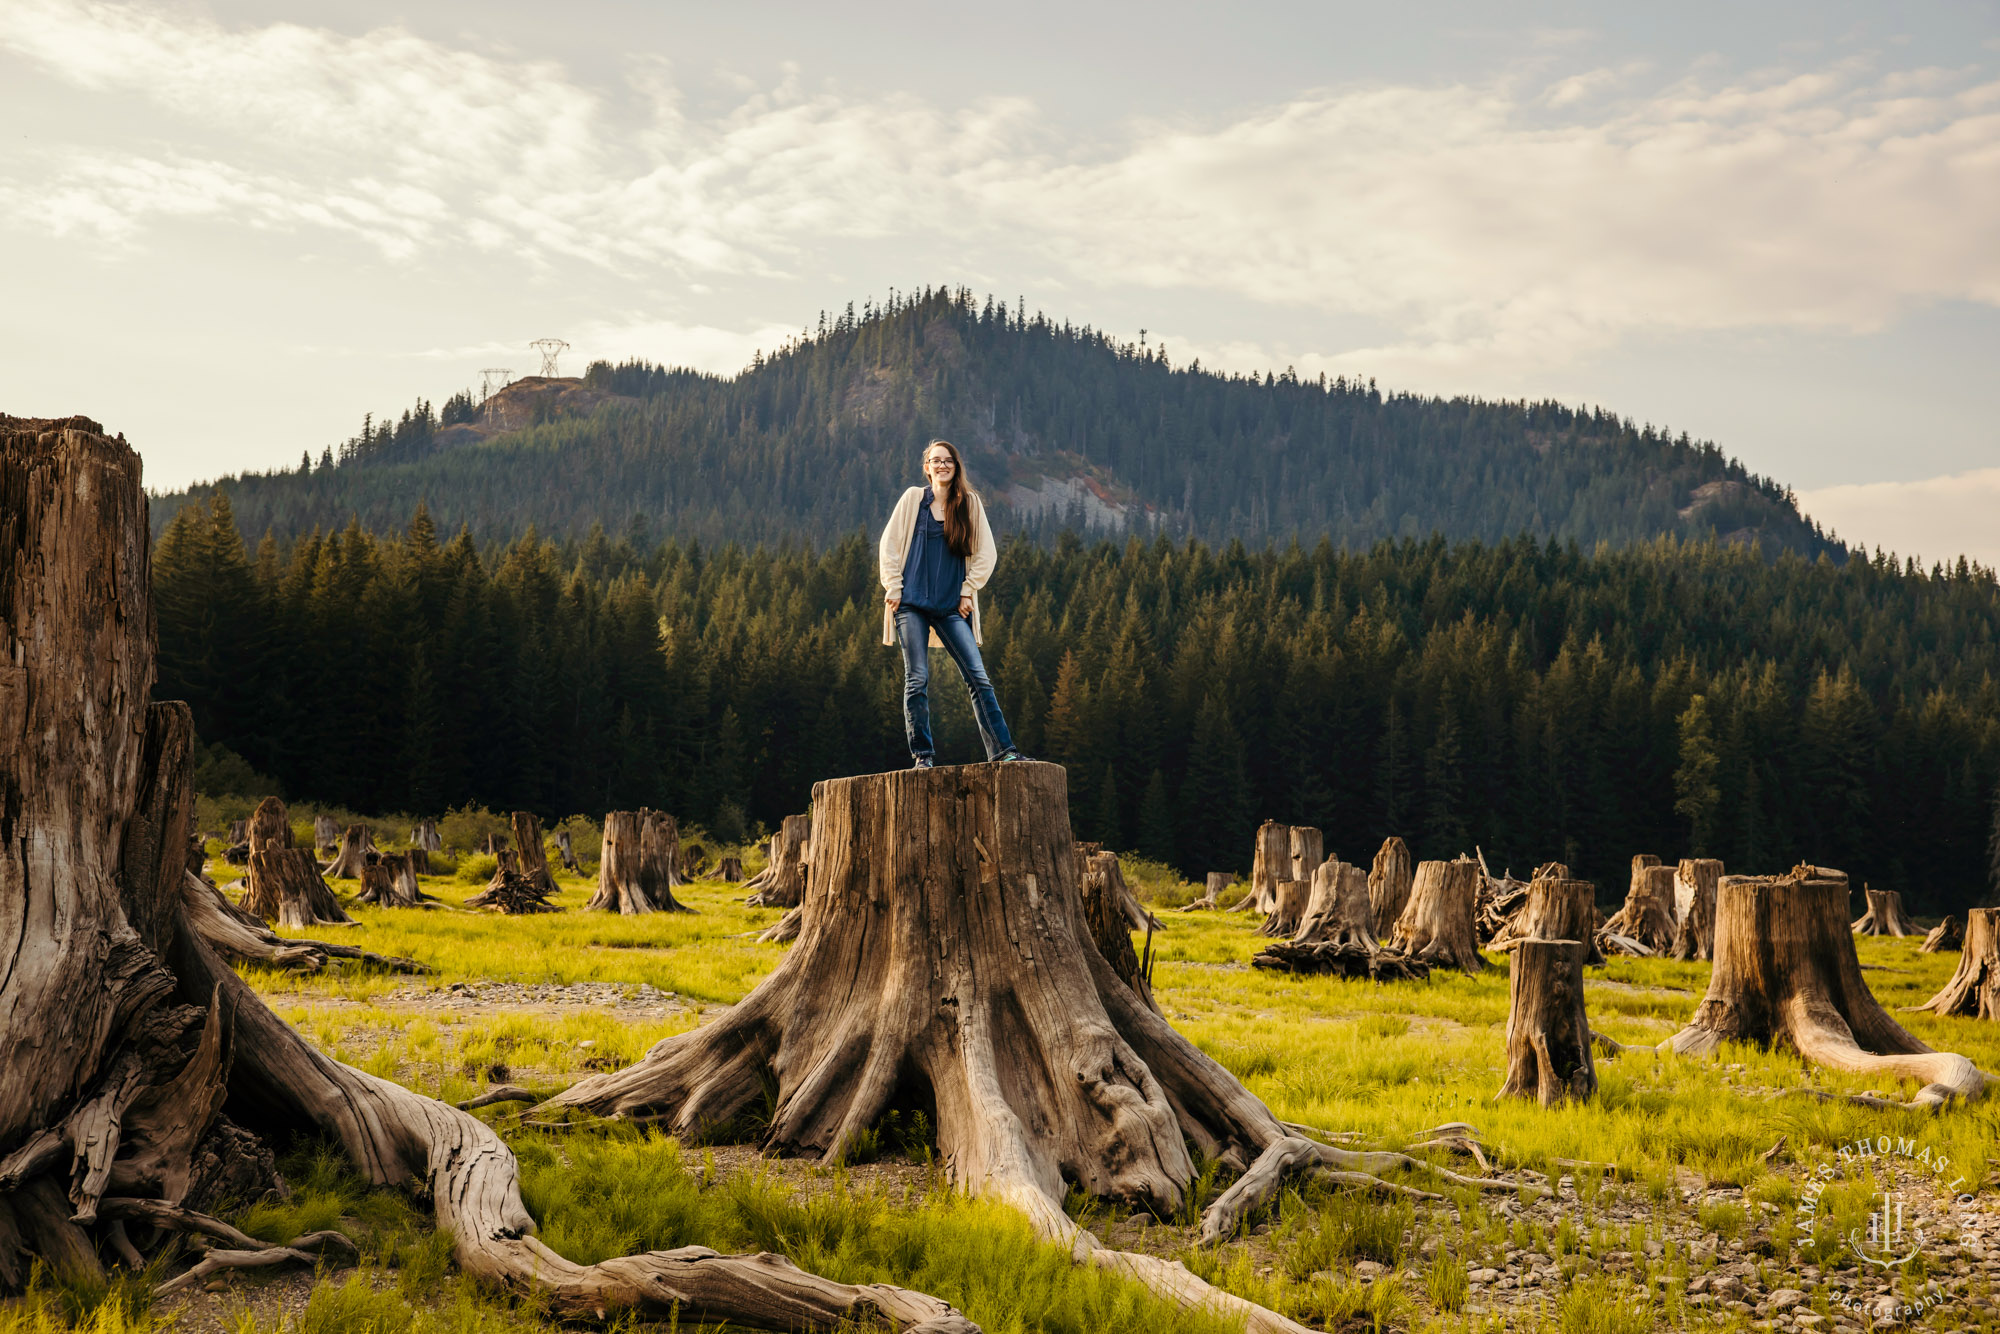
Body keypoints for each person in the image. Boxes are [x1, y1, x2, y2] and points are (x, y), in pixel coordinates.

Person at [879, 440, 1028, 769]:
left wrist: (967, 590)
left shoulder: (969, 504)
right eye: (935, 460)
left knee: (978, 676)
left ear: (956, 466)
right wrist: (893, 586)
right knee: (917, 678)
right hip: (911, 604)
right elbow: (888, 546)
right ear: (927, 467)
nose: (942, 465)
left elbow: (987, 553)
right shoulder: (913, 500)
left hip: (950, 606)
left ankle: (1003, 752)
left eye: (947, 461)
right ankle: (923, 755)